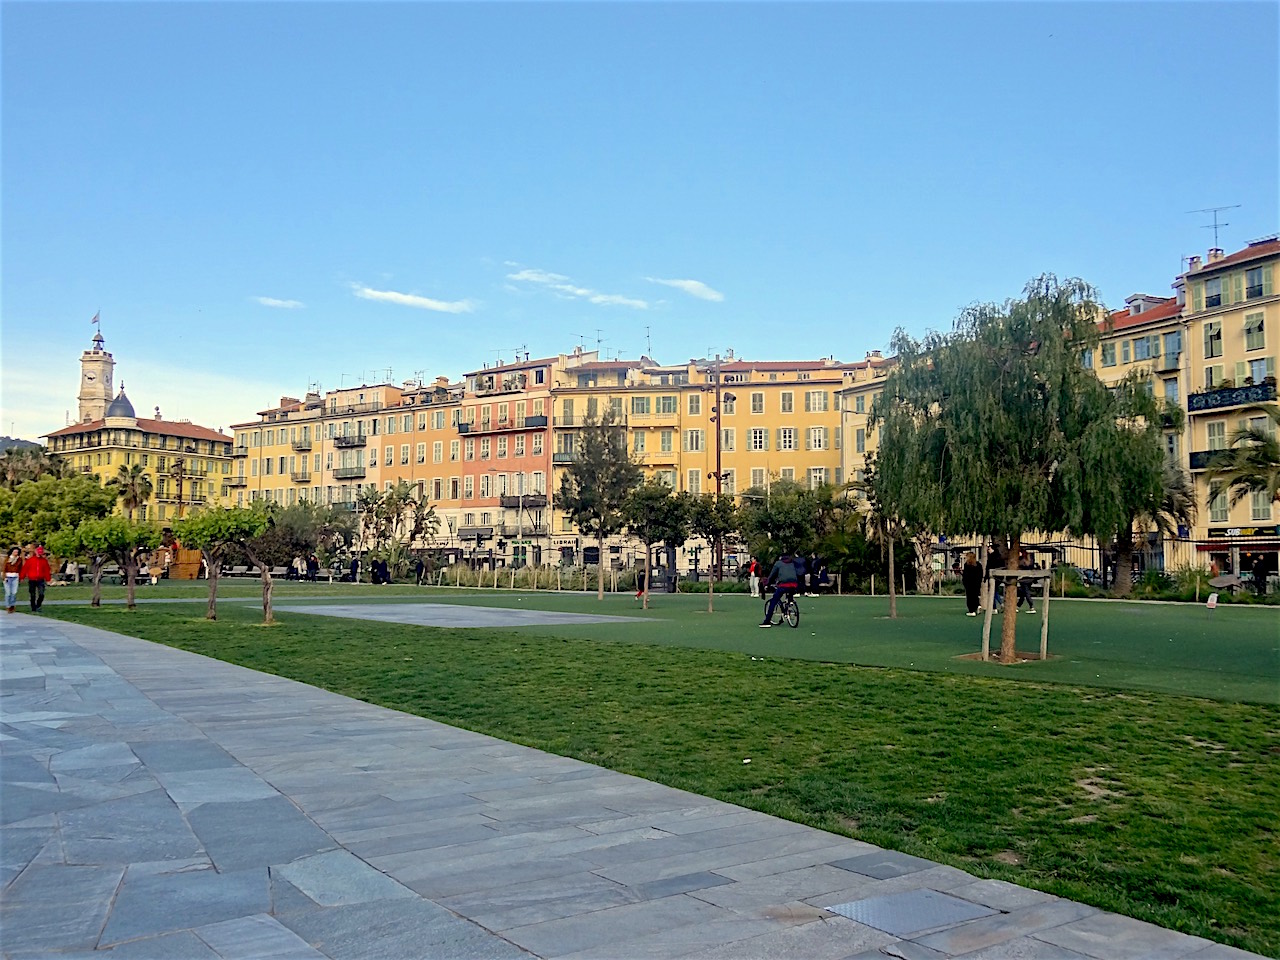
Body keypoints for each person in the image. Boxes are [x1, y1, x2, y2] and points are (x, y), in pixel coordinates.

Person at [760, 552, 799, 627]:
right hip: (794, 584)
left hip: (783, 585)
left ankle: (767, 621)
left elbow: (772, 575)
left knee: (774, 601)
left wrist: (767, 583)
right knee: (790, 592)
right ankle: (790, 603)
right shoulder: (792, 562)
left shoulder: (778, 563)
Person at [21, 546, 52, 613]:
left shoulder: (44, 561)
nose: (39, 554)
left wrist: (48, 579)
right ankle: (33, 607)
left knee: (41, 594)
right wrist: (22, 577)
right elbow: (25, 569)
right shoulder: (30, 560)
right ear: (36, 552)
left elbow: (47, 570)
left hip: (40, 579)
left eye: (41, 553)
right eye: (38, 552)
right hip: (32, 579)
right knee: (32, 594)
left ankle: (38, 605)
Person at [985, 541, 1005, 612]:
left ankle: (994, 608)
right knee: (995, 590)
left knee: (992, 591)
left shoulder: (991, 558)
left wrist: (985, 577)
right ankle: (1001, 603)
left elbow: (988, 567)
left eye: (989, 549)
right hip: (1000, 577)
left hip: (993, 576)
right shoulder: (999, 557)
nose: (988, 550)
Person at [961, 551, 983, 616]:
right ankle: (978, 605)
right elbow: (981, 574)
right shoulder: (978, 564)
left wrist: (964, 581)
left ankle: (972, 611)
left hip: (969, 583)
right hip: (977, 583)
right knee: (975, 595)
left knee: (970, 597)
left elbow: (966, 575)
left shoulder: (967, 565)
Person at [1016, 549, 1037, 613]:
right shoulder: (1030, 560)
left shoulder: (1022, 561)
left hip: (1024, 579)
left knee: (1026, 592)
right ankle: (1018, 606)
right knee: (1023, 593)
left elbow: (1019, 568)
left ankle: (1031, 607)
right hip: (1030, 578)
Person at [4, 546, 23, 614]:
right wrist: (4, 577)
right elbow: (4, 568)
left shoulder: (19, 559)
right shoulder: (7, 559)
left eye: (17, 552)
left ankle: (12, 605)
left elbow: (20, 568)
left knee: (14, 592)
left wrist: (21, 577)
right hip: (8, 577)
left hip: (15, 577)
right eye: (15, 552)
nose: (16, 553)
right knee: (8, 593)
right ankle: (8, 606)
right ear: (12, 552)